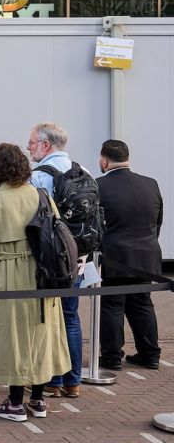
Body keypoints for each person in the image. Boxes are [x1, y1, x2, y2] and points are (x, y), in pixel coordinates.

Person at [0, 142, 70, 422]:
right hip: (42, 274)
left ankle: (14, 404)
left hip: (6, 275)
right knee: (38, 335)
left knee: (13, 337)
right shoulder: (40, 194)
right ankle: (37, 400)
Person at [27, 122, 89, 399]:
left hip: (50, 259)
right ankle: (73, 380)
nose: (28, 147)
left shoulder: (40, 176)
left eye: (31, 143)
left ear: (46, 145)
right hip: (78, 258)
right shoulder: (82, 171)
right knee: (70, 317)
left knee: (48, 318)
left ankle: (51, 380)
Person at [97, 139, 163, 371]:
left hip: (114, 257)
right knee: (142, 303)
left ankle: (112, 357)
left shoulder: (99, 186)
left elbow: (97, 226)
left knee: (112, 305)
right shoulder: (150, 184)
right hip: (146, 256)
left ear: (104, 160)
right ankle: (150, 354)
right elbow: (157, 222)